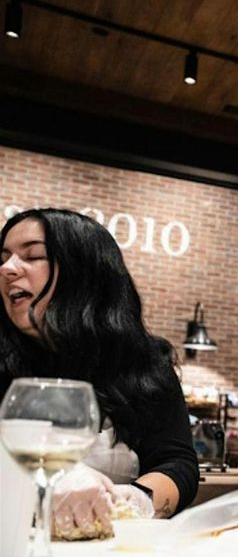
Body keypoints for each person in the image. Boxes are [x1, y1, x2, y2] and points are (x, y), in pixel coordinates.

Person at [0, 209, 199, 538]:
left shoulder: (143, 364)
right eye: (3, 258)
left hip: (108, 550)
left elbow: (177, 463)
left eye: (33, 256)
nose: (7, 268)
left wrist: (134, 501)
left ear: (83, 272)